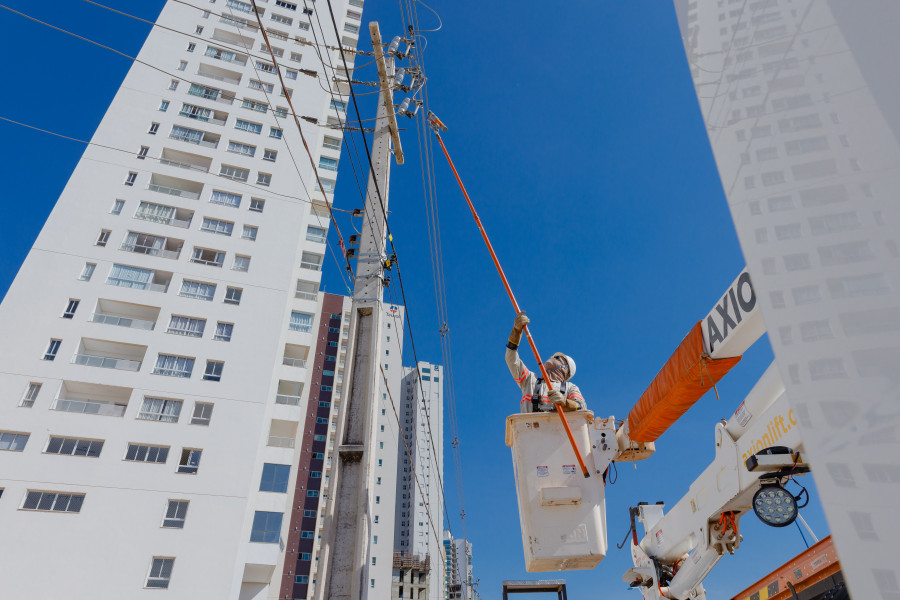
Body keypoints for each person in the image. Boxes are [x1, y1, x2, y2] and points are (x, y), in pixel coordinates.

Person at [506, 311, 586, 413]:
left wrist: (565, 402)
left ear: (565, 369)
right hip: (529, 427)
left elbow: (581, 405)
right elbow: (511, 359)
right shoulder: (530, 380)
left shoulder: (569, 387)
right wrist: (516, 331)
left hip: (557, 428)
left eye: (557, 357)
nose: (551, 357)